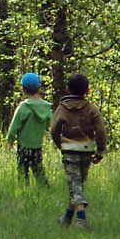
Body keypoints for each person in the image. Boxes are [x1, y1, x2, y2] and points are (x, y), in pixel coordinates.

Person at [50, 72, 107, 229]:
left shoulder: (62, 109)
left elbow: (54, 130)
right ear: (87, 90)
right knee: (77, 185)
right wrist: (100, 149)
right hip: (87, 150)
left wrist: (60, 144)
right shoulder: (91, 109)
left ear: (67, 89)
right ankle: (66, 218)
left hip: (69, 150)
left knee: (75, 186)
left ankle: (81, 220)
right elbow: (101, 130)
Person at [5, 72, 52, 186]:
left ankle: (24, 192)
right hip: (37, 147)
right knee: (39, 171)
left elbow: (14, 127)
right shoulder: (46, 107)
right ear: (39, 88)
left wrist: (9, 141)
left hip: (23, 147)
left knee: (22, 172)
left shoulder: (23, 107)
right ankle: (45, 190)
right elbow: (51, 126)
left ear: (23, 89)